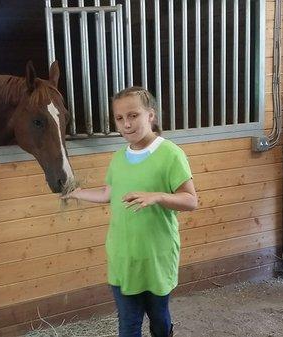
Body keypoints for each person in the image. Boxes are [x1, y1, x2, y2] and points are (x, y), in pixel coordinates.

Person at [62, 86, 198, 337]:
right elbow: (107, 194)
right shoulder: (118, 158)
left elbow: (190, 200)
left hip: (156, 256)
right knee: (128, 324)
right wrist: (75, 192)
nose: (126, 124)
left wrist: (158, 196)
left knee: (158, 317)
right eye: (120, 118)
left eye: (133, 115)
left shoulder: (170, 154)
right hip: (123, 256)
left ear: (151, 116)